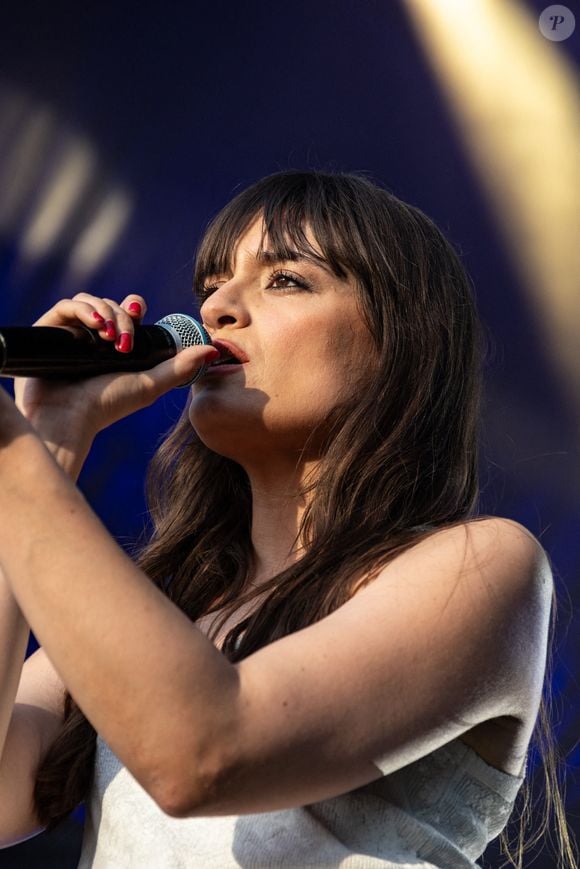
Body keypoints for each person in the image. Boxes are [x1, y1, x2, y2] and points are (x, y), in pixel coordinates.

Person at [0, 169, 571, 868]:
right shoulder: (156, 608)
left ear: (402, 338)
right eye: (212, 282)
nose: (216, 308)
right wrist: (50, 439)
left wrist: (13, 457)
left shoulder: (486, 567)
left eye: (286, 280)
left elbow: (204, 751)